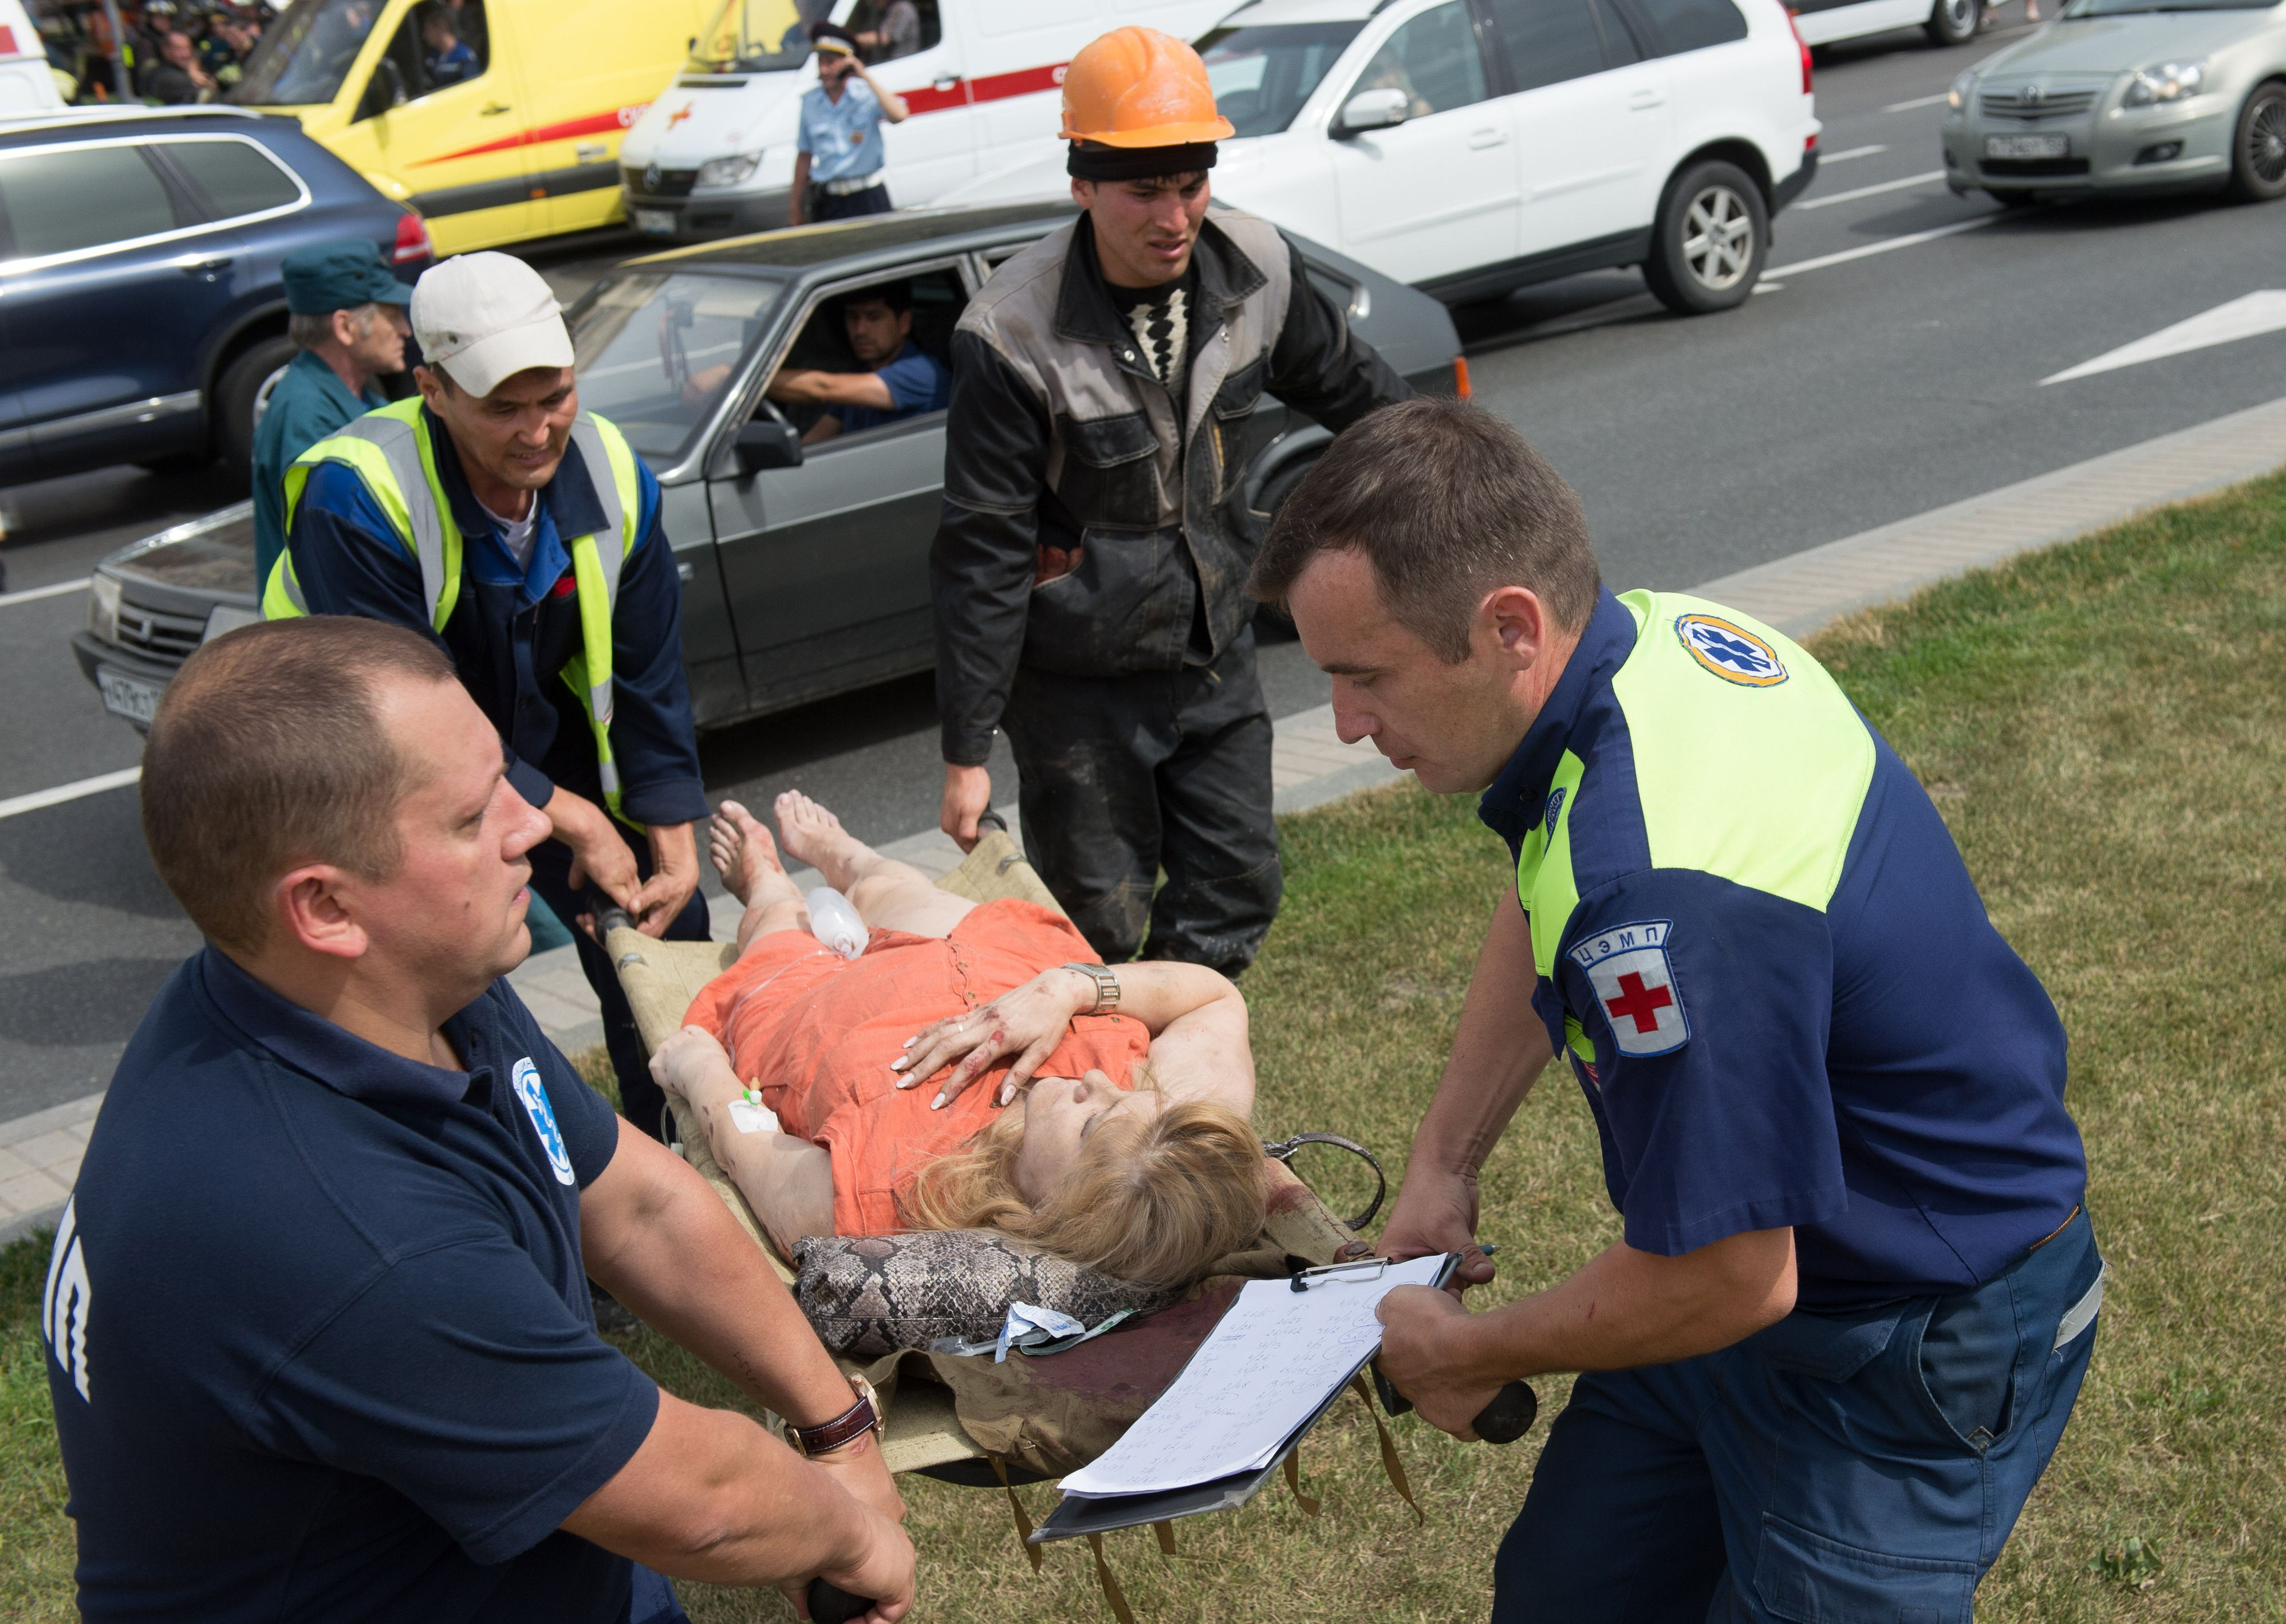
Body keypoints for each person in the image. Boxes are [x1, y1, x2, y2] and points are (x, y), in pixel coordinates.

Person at [1251, 399, 2102, 1623]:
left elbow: (1731, 1278)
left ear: (1507, 627)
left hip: (1907, 1337)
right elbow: (1546, 881)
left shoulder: (1655, 892)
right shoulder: (1648, 644)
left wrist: (1466, 1348)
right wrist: (1442, 1160)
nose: (1342, 723)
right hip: (1754, 1296)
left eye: (1364, 675)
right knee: (1566, 1592)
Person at [43, 617, 913, 1624]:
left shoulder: (398, 984)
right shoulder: (334, 1230)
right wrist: (855, 1537)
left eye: (507, 776)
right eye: (467, 818)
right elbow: (700, 1501)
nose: (530, 827)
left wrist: (838, 1429)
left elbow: (634, 1206)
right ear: (324, 907)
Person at [930, 26, 1412, 980]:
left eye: (1190, 182)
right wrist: (964, 749)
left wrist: (1465, 492)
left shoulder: (1260, 270)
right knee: (1098, 921)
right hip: (1075, 685)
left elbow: (1367, 401)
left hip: (1211, 654)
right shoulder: (1008, 331)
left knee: (1236, 888)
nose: (1174, 214)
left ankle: (1179, 1086)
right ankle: (1113, 1095)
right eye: (1144, 189)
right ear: (1083, 186)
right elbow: (982, 547)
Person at [269, 251, 712, 1148]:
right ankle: (511, 1193)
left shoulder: (614, 470)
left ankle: (678, 1158)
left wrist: (668, 827)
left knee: (668, 931)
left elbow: (648, 673)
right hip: (372, 762)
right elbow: (413, 716)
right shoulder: (357, 494)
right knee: (457, 973)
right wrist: (568, 820)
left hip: (530, 742)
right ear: (432, 389)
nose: (538, 430)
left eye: (554, 396)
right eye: (503, 407)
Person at [651, 791, 1266, 1283]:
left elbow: (769, 1172)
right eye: (1131, 1097)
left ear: (1054, 1215)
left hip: (817, 1014)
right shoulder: (1175, 1140)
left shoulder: (906, 1198)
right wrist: (1069, 990)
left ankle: (764, 885)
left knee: (775, 929)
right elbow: (1214, 997)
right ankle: (846, 857)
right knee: (891, 888)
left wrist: (702, 1070)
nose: (1096, 1083)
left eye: (1089, 1124)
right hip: (985, 967)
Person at [251, 241, 413, 591]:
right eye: (392, 314)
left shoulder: (358, 396)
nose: (405, 330)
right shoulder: (306, 415)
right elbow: (336, 551)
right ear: (345, 327)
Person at [764, 279, 948, 444]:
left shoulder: (922, 372)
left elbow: (822, 388)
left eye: (874, 317)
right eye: (853, 317)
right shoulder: (862, 374)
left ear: (904, 323)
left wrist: (749, 378)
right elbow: (814, 442)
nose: (860, 330)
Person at [787, 22, 906, 226]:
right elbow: (804, 156)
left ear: (847, 62)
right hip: (829, 200)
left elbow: (899, 115)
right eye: (820, 62)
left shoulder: (865, 94)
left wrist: (864, 75)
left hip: (867, 196)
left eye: (830, 62)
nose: (824, 70)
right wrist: (795, 206)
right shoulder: (810, 103)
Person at [139, 26, 213, 101]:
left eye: (188, 48)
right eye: (179, 49)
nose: (186, 54)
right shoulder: (167, 78)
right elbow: (207, 98)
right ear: (165, 50)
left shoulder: (185, 70)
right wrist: (198, 80)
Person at [420, 5, 478, 86]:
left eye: (428, 30)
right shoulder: (432, 58)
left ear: (441, 29)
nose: (425, 35)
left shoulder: (465, 58)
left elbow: (470, 89)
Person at [853, 0, 920, 61]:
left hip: (900, 64)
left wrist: (850, 38)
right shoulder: (885, 10)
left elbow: (884, 38)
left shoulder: (902, 8)